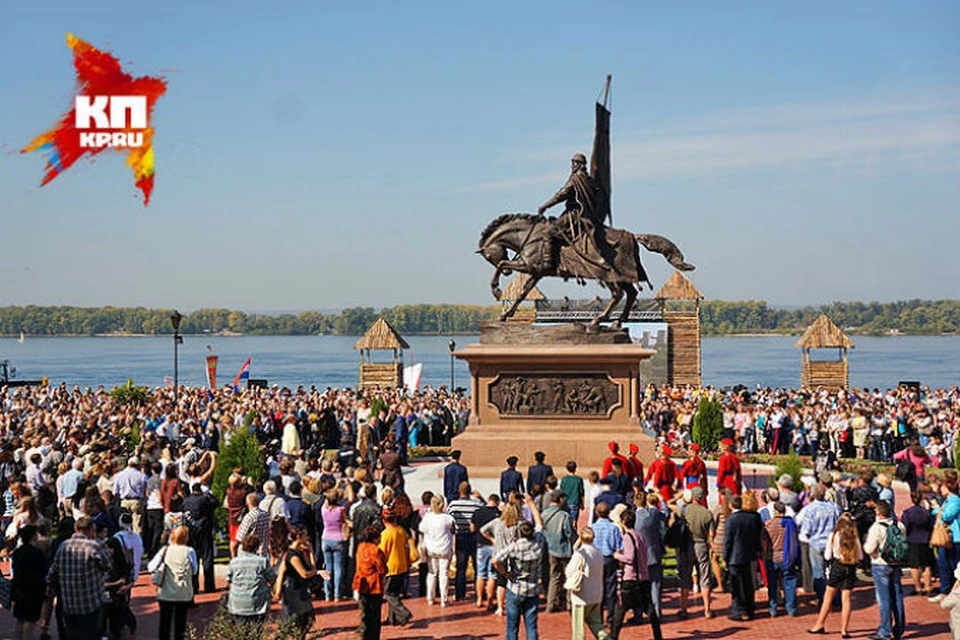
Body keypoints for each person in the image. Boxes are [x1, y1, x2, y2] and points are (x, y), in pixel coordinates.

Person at [46, 515, 113, 640]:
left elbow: (52, 571)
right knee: (90, 634)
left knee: (72, 634)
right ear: (91, 530)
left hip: (69, 602)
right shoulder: (93, 546)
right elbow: (108, 565)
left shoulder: (63, 546)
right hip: (89, 602)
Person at [493, 499, 545, 640]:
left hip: (515, 587)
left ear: (520, 533)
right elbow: (539, 523)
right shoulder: (538, 542)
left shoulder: (514, 547)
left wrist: (505, 573)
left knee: (512, 627)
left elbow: (495, 560)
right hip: (532, 588)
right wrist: (532, 504)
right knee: (531, 626)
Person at [808, 513, 863, 638]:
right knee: (846, 600)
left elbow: (828, 555)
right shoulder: (855, 537)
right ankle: (844, 630)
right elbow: (860, 556)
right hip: (850, 568)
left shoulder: (834, 536)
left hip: (838, 566)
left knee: (828, 597)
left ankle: (819, 624)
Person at [611, 508, 662, 640]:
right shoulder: (640, 537)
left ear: (623, 522)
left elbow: (630, 557)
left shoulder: (627, 537)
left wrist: (617, 556)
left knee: (620, 609)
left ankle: (613, 636)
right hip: (643, 577)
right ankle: (658, 635)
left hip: (631, 578)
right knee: (649, 609)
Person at [863, 500, 906, 640]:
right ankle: (899, 629)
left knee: (884, 598)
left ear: (878, 512)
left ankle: (884, 630)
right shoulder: (899, 525)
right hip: (896, 563)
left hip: (880, 563)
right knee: (898, 597)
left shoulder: (876, 527)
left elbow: (869, 548)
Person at [148, 525, 198, 640]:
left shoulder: (165, 550)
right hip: (183, 591)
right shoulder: (190, 551)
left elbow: (151, 567)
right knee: (180, 623)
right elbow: (194, 571)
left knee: (164, 622)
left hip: (166, 591)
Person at [797, 483, 842, 606]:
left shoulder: (810, 509)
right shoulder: (835, 507)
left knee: (818, 572)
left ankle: (822, 598)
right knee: (832, 571)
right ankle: (836, 598)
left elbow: (806, 530)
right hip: (831, 543)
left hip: (816, 543)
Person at [274, 524, 319, 639]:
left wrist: (311, 552)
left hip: (301, 592)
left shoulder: (299, 552)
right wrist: (278, 591)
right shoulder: (292, 555)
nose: (307, 538)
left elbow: (312, 568)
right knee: (300, 622)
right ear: (299, 537)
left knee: (305, 621)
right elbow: (304, 573)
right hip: (294, 592)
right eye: (305, 536)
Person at [723, 494, 763, 621]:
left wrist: (725, 556)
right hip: (748, 554)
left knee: (735, 585)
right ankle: (750, 609)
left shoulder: (730, 520)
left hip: (734, 556)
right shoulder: (750, 518)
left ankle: (737, 611)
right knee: (747, 584)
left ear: (730, 506)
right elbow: (756, 537)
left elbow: (728, 540)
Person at [565, 526, 609, 640]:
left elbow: (569, 571)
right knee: (596, 624)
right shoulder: (599, 553)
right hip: (596, 594)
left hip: (582, 595)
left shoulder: (580, 554)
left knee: (578, 629)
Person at [227, 533, 276, 629]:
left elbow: (229, 579)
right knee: (256, 631)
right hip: (257, 604)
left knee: (241, 632)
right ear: (257, 547)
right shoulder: (262, 561)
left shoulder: (234, 562)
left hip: (237, 604)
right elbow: (272, 578)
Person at [481, 501, 520, 616]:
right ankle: (514, 605)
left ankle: (499, 607)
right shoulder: (517, 524)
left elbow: (483, 530)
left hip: (498, 553)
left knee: (500, 581)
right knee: (514, 580)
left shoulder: (497, 522)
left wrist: (492, 539)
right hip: (513, 553)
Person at [761, 501, 799, 617]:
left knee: (772, 584)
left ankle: (773, 608)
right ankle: (791, 608)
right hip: (787, 557)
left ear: (774, 511)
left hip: (772, 557)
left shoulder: (768, 525)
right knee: (789, 583)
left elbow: (764, 542)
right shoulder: (790, 524)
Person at [447, 481, 483, 603]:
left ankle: (459, 593)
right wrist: (480, 497)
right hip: (474, 537)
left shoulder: (453, 505)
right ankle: (479, 593)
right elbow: (484, 510)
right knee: (477, 566)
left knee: (460, 567)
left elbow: (449, 520)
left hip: (460, 537)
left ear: (459, 491)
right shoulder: (477, 504)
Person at [11, 525, 48, 640]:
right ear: (33, 537)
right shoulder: (37, 553)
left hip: (18, 588)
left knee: (19, 620)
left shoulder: (17, 553)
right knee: (30, 621)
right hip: (33, 590)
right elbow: (42, 573)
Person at [541, 489, 575, 612]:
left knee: (554, 577)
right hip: (565, 550)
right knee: (569, 577)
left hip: (551, 549)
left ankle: (550, 604)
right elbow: (569, 533)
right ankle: (569, 604)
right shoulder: (564, 516)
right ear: (561, 500)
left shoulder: (544, 514)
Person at [684, 486, 715, 618]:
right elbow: (711, 535)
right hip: (702, 544)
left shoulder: (685, 510)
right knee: (704, 576)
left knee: (685, 576)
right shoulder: (707, 513)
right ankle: (707, 608)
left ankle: (684, 607)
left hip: (687, 545)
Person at [419, 494, 455, 606]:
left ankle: (431, 597)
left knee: (432, 573)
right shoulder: (448, 518)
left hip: (431, 548)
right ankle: (444, 599)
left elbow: (422, 529)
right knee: (444, 574)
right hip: (444, 548)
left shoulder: (427, 517)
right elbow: (454, 529)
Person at [379, 509, 413, 626]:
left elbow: (382, 553)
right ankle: (392, 619)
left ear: (383, 520)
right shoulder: (401, 531)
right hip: (402, 566)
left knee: (388, 594)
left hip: (390, 568)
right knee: (394, 593)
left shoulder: (385, 534)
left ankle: (403, 612)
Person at [635, 491, 666, 620]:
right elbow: (664, 511)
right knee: (655, 585)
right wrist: (661, 498)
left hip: (639, 556)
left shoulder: (633, 517)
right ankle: (656, 613)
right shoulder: (653, 514)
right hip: (654, 553)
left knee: (639, 586)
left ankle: (638, 614)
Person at [353, 525, 387, 640]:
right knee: (375, 614)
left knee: (365, 611)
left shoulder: (360, 547)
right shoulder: (376, 550)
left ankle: (365, 635)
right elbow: (382, 568)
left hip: (361, 582)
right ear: (375, 538)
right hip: (374, 584)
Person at [182, 482, 217, 593]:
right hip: (204, 531)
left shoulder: (186, 501)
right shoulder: (204, 500)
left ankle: (194, 585)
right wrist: (208, 494)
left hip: (191, 532)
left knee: (194, 559)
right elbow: (215, 503)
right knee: (207, 558)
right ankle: (209, 586)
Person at [901, 491, 935, 597]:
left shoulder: (907, 513)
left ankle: (918, 587)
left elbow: (904, 526)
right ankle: (928, 586)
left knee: (914, 566)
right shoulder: (927, 513)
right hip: (925, 540)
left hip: (912, 540)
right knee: (927, 565)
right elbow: (931, 526)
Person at [471, 494, 502, 610]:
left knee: (480, 574)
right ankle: (489, 601)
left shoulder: (478, 512)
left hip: (481, 545)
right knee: (492, 575)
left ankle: (479, 599)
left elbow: (472, 528)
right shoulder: (499, 514)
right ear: (497, 502)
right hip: (494, 546)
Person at [320, 487, 348, 601]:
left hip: (326, 538)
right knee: (338, 567)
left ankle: (327, 594)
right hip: (338, 538)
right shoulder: (340, 510)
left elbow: (324, 503)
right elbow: (345, 520)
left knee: (328, 566)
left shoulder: (324, 509)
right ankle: (337, 594)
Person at [234, 493, 270, 558]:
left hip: (250, 552)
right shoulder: (266, 515)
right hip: (264, 551)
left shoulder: (249, 517)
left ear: (247, 503)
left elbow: (240, 537)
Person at [561, 461, 585, 526]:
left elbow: (561, 491)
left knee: (565, 522)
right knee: (574, 522)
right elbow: (581, 492)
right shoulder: (578, 479)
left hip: (565, 502)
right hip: (575, 502)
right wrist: (582, 503)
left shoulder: (564, 479)